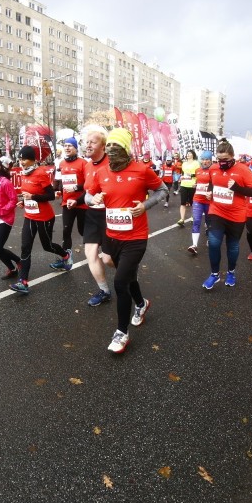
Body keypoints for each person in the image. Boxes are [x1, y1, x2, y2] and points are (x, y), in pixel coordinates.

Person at [85, 128, 167, 353]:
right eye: (108, 146)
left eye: (116, 146)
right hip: (112, 235)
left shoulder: (141, 170)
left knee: (120, 282)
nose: (110, 150)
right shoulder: (101, 172)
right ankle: (141, 303)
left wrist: (145, 205)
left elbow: (163, 190)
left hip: (135, 238)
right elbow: (87, 196)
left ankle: (121, 333)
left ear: (125, 149)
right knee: (127, 276)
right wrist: (94, 198)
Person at [9, 145, 72, 294]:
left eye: (25, 159)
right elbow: (28, 194)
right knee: (25, 247)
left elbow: (50, 195)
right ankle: (23, 282)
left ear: (32, 160)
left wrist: (33, 197)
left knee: (47, 246)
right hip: (29, 216)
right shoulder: (24, 174)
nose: (22, 162)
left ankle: (65, 255)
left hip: (44, 218)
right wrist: (24, 202)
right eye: (20, 159)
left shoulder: (40, 173)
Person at [201, 139, 252, 289]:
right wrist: (210, 192)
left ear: (233, 157)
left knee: (232, 246)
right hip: (217, 211)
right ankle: (214, 275)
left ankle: (231, 272)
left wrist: (237, 188)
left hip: (236, 215)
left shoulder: (243, 169)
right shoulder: (213, 168)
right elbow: (212, 183)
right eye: (219, 159)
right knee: (213, 243)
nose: (221, 163)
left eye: (225, 159)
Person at [78, 125, 113, 307]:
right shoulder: (87, 166)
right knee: (90, 254)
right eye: (87, 141)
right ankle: (105, 291)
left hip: (110, 215)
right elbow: (87, 192)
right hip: (93, 214)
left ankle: (128, 273)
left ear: (103, 146)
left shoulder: (113, 164)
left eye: (93, 141)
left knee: (108, 259)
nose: (89, 144)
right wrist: (84, 199)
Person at [51, 137, 86, 269]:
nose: (67, 148)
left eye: (70, 146)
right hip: (67, 203)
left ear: (76, 148)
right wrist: (58, 191)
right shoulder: (61, 163)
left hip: (82, 203)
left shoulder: (83, 163)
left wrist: (76, 188)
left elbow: (89, 184)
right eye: (65, 146)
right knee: (66, 231)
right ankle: (66, 259)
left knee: (82, 231)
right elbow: (60, 181)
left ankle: (97, 247)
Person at [187, 150, 214, 254]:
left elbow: (216, 184)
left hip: (209, 201)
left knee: (209, 222)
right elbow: (198, 181)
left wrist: (211, 192)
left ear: (211, 160)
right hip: (198, 199)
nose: (205, 161)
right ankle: (194, 245)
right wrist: (196, 185)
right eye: (203, 159)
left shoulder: (213, 171)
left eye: (207, 159)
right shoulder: (198, 170)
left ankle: (209, 237)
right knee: (196, 221)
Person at [177, 149, 199, 226]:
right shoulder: (184, 163)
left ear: (193, 154)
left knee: (193, 203)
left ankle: (193, 216)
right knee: (183, 202)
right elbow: (183, 173)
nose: (188, 154)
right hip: (183, 184)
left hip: (192, 185)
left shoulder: (196, 163)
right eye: (187, 153)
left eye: (189, 153)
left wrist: (192, 176)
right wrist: (181, 177)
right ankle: (182, 219)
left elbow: (198, 174)